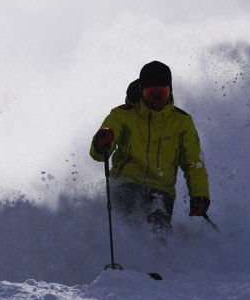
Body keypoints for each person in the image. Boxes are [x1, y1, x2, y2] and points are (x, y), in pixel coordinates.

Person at [89, 60, 210, 238]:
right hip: (126, 182)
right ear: (141, 91)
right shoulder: (123, 115)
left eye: (161, 93)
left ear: (170, 92)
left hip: (162, 190)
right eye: (150, 93)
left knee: (158, 230)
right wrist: (101, 144)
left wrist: (199, 195)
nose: (156, 100)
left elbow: (193, 162)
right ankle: (123, 254)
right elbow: (99, 154)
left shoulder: (182, 122)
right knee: (128, 213)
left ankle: (155, 260)